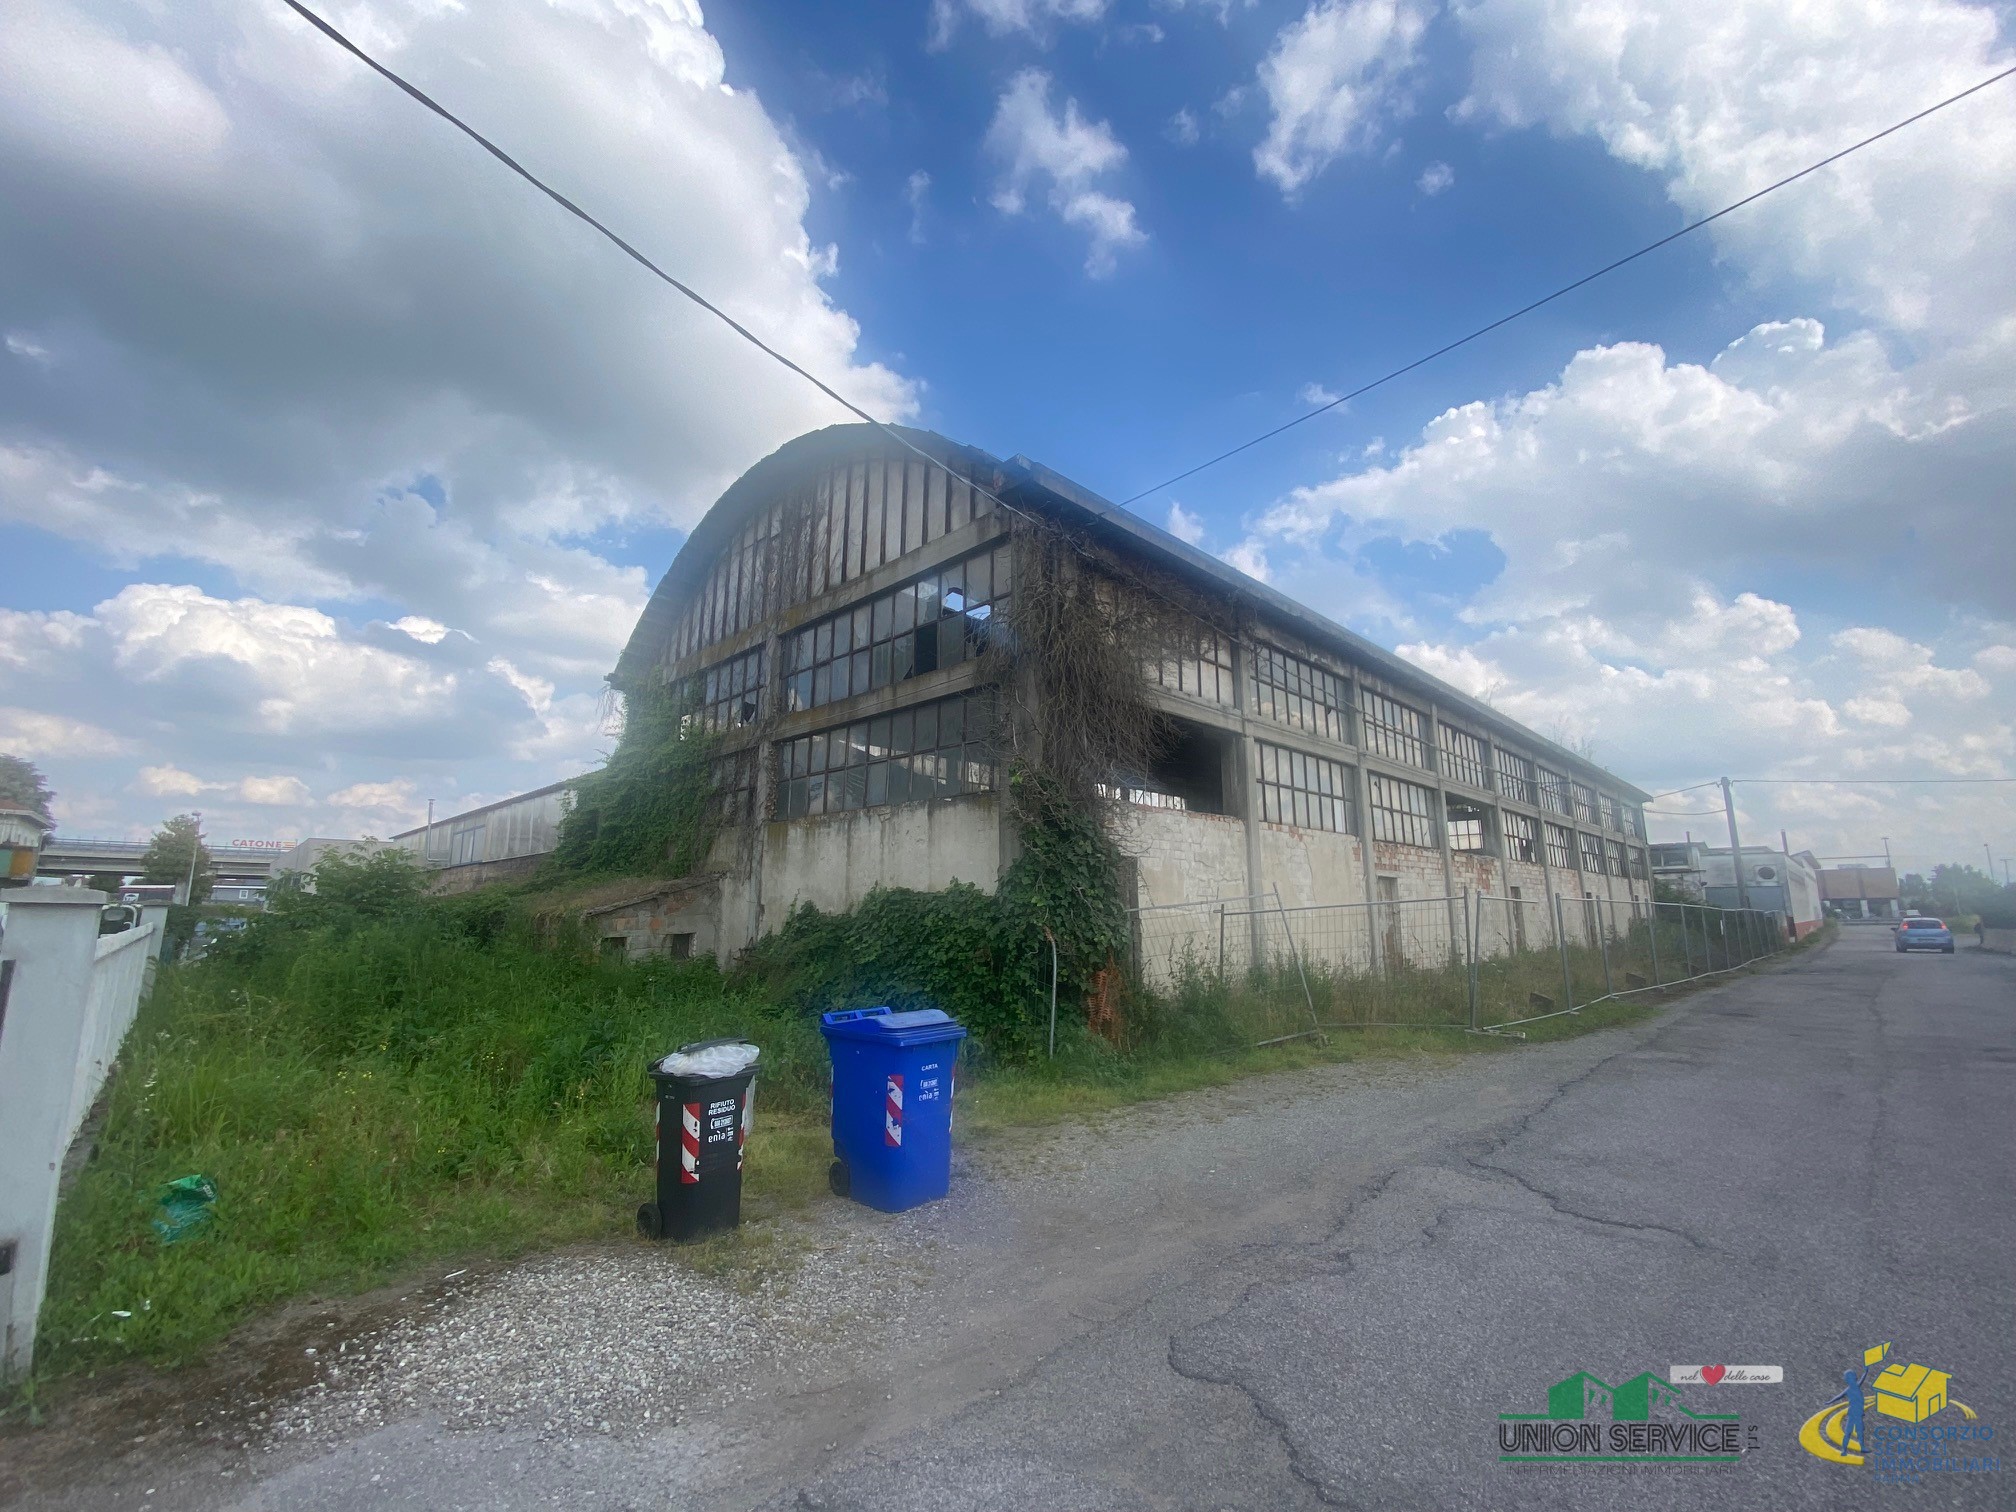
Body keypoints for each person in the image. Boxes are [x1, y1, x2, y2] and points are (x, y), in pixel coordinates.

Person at [1841, 1369, 1867, 1453]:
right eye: (1852, 1377)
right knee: (1848, 1431)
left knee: (1859, 1431)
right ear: (1848, 1379)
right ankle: (1844, 1449)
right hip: (1853, 1413)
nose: (1855, 1378)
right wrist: (1829, 1402)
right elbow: (1839, 1396)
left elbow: (1862, 1380)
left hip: (1858, 1412)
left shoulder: (1856, 1386)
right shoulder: (1848, 1390)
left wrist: (1865, 1372)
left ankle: (1862, 1447)